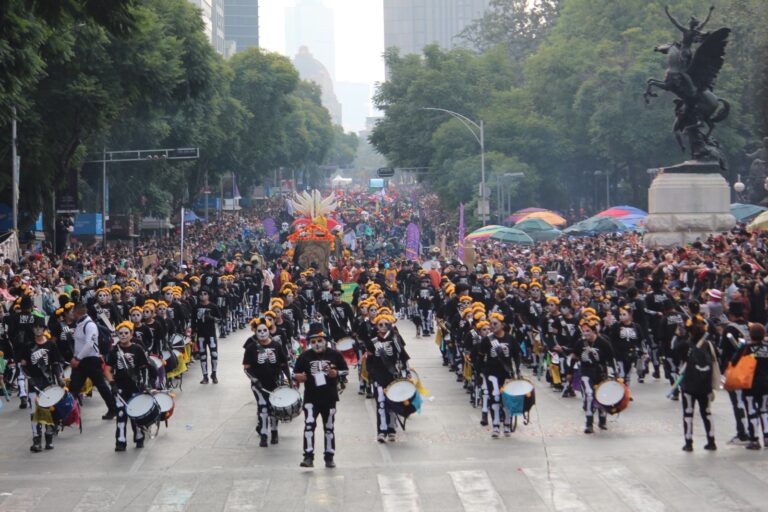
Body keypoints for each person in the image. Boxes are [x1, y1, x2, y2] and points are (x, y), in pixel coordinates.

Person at [293, 323, 348, 468]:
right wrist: (298, 378)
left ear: (325, 341)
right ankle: (308, 456)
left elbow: (345, 370)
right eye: (313, 342)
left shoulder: (334, 354)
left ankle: (329, 456)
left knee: (329, 427)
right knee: (309, 425)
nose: (317, 344)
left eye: (319, 341)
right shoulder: (304, 356)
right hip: (311, 397)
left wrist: (336, 373)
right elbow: (295, 373)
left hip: (329, 397)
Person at [105, 320, 152, 452]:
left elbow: (145, 368)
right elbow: (107, 369)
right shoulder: (113, 351)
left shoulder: (138, 349)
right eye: (120, 333)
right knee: (120, 415)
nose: (123, 335)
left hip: (135, 386)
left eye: (126, 333)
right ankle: (120, 441)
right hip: (120, 386)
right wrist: (112, 383)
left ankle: (139, 437)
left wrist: (145, 384)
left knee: (136, 414)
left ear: (131, 334)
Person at [243, 317, 290, 447]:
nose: (262, 333)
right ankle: (264, 434)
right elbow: (246, 368)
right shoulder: (251, 348)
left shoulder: (276, 345)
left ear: (269, 330)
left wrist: (289, 381)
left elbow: (283, 364)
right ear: (255, 332)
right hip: (259, 385)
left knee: (274, 408)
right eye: (259, 331)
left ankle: (274, 431)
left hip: (275, 382)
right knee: (263, 408)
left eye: (265, 330)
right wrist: (254, 379)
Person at [20, 315, 65, 452]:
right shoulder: (28, 346)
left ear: (44, 329)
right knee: (34, 412)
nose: (38, 330)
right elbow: (23, 365)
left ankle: (49, 437)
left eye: (40, 327)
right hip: (34, 382)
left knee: (49, 410)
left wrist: (60, 378)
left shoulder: (51, 345)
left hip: (48, 382)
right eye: (36, 327)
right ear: (33, 329)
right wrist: (28, 377)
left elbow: (56, 364)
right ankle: (36, 440)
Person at [365, 311, 411, 443]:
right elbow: (369, 360)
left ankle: (391, 429)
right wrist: (370, 374)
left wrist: (406, 371)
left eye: (386, 324)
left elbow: (403, 356)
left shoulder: (396, 339)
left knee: (392, 403)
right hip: (378, 376)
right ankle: (381, 431)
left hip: (393, 376)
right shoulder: (372, 342)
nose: (383, 326)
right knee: (380, 403)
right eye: (380, 324)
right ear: (376, 326)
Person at [70, 303, 117, 419]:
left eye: (72, 311)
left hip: (91, 361)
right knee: (73, 388)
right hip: (81, 362)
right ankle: (68, 413)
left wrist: (77, 358)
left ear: (77, 312)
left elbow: (89, 344)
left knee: (101, 386)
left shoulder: (89, 325)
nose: (71, 313)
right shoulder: (79, 324)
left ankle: (113, 409)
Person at [679, 315, 718, 452]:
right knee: (707, 412)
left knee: (688, 413)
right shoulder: (709, 345)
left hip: (689, 384)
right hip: (705, 384)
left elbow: (676, 354)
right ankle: (711, 441)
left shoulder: (685, 345)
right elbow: (715, 360)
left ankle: (689, 442)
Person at [574, 316, 615, 434]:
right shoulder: (580, 342)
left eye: (588, 331)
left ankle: (602, 420)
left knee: (602, 395)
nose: (585, 333)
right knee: (589, 394)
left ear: (594, 330)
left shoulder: (603, 342)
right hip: (586, 372)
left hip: (601, 372)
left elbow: (611, 358)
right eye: (583, 331)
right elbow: (574, 355)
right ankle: (589, 423)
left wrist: (614, 375)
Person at [732, 323, 768, 450]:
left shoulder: (746, 347)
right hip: (765, 384)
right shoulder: (767, 347)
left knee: (751, 410)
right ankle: (767, 437)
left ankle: (754, 440)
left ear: (751, 335)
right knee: (764, 410)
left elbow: (734, 361)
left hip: (750, 384)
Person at [192, 288, 221, 384]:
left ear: (208, 295)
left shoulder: (213, 306)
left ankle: (214, 374)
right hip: (200, 335)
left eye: (205, 294)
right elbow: (193, 321)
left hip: (211, 334)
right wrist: (193, 332)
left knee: (214, 354)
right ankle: (205, 376)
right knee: (202, 355)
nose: (202, 296)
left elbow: (221, 319)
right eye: (200, 294)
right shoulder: (196, 307)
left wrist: (211, 318)